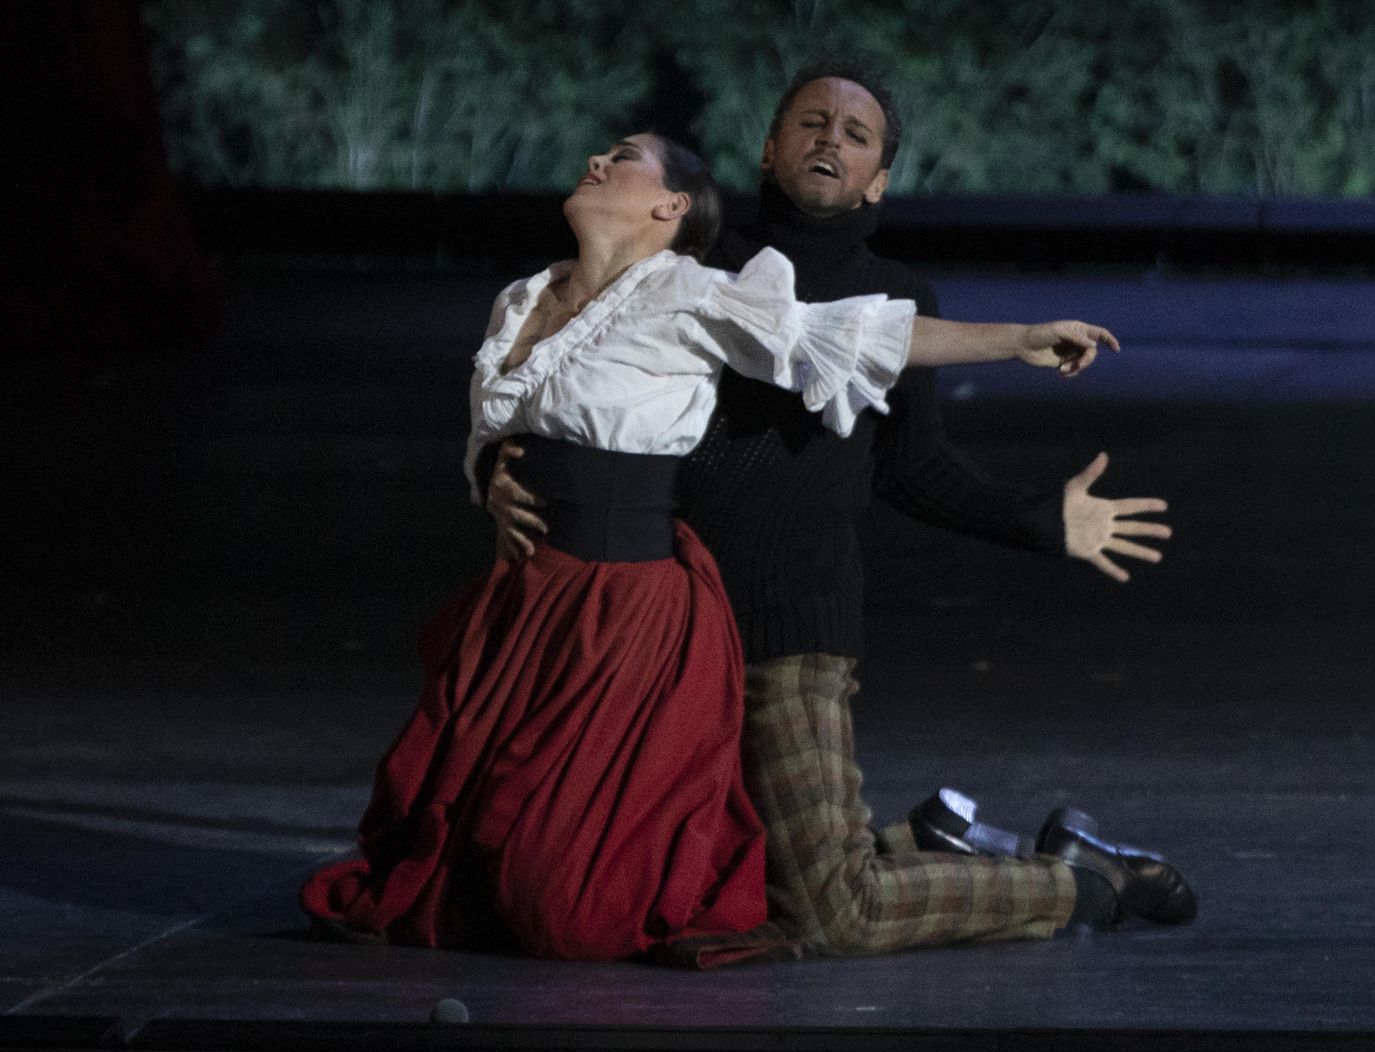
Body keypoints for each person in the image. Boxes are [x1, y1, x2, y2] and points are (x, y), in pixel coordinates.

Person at [302, 131, 1121, 964]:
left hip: (623, 615)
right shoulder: (521, 299)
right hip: (527, 606)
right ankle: (919, 838)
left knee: (569, 908)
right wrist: (493, 475)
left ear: (673, 205)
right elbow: (493, 429)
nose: (595, 162)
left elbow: (838, 337)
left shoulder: (688, 294)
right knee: (461, 867)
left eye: (621, 158)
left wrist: (1014, 337)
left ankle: (1015, 872)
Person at [483, 66, 1195, 959]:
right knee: (668, 877)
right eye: (812, 124)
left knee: (825, 914)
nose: (831, 141)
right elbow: (577, 388)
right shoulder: (688, 264)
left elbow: (915, 471)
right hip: (658, 623)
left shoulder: (894, 295)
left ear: (880, 180)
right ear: (770, 149)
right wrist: (505, 473)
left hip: (788, 625)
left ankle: (1082, 884)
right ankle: (919, 841)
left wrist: (1038, 519)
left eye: (857, 137)